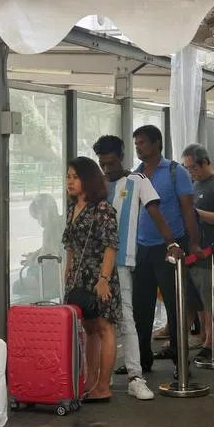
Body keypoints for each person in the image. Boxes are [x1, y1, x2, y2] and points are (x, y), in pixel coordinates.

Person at [93, 134, 174, 400]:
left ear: (121, 157)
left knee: (128, 319)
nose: (107, 169)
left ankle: (135, 376)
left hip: (124, 262)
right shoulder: (98, 184)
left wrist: (172, 243)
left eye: (111, 162)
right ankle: (92, 377)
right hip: (95, 265)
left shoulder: (138, 181)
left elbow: (155, 213)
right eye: (102, 164)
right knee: (96, 321)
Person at [131, 125, 201, 371]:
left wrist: (192, 243)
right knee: (141, 305)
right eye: (136, 143)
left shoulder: (175, 172)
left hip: (171, 246)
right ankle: (142, 359)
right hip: (143, 247)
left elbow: (187, 210)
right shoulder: (137, 174)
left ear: (156, 143)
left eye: (142, 142)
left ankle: (180, 361)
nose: (138, 147)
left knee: (174, 303)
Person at [63, 157, 120, 403]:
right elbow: (70, 245)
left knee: (105, 327)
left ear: (88, 179)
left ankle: (104, 386)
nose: (70, 182)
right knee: (89, 329)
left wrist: (104, 279)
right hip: (79, 276)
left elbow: (110, 245)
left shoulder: (102, 209)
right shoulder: (72, 207)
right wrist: (68, 269)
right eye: (68, 177)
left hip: (99, 276)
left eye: (75, 177)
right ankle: (90, 382)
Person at [181, 143, 214, 360]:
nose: (191, 172)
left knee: (210, 298)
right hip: (194, 251)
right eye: (187, 168)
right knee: (196, 299)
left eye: (193, 168)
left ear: (205, 163)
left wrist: (196, 213)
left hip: (211, 252)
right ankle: (202, 335)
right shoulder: (194, 185)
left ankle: (211, 341)